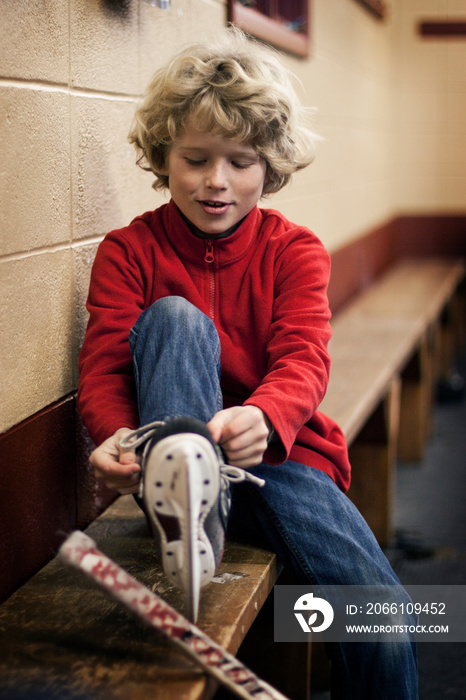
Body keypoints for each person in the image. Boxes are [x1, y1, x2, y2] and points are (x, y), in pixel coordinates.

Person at [78, 27, 418, 698]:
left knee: (387, 618)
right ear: (163, 158)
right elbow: (107, 364)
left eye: (240, 161)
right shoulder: (128, 250)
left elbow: (304, 356)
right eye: (195, 158)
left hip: (279, 467)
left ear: (269, 165)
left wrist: (267, 415)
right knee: (174, 316)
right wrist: (114, 435)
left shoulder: (295, 250)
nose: (216, 182)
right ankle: (190, 499)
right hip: (173, 473)